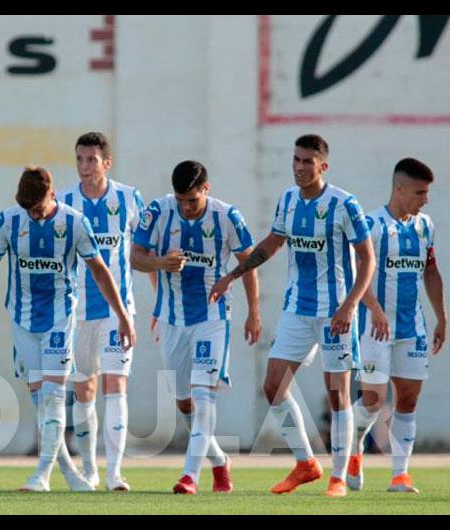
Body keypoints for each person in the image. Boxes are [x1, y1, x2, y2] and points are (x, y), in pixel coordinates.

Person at [210, 134, 375, 497]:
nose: (299, 167)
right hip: (297, 309)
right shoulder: (287, 199)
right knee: (273, 385)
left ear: (323, 166)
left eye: (307, 162)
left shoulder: (344, 204)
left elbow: (367, 258)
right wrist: (232, 275)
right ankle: (305, 463)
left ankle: (337, 478)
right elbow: (272, 243)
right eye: (296, 160)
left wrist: (350, 305)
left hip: (335, 313)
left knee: (338, 395)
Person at [0, 166, 136, 492]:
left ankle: (41, 475)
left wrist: (124, 316)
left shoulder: (73, 222)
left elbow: (99, 271)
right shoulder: (8, 222)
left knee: (54, 397)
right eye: (28, 209)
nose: (34, 214)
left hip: (60, 320)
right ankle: (70, 474)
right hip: (22, 321)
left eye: (39, 208)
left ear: (52, 196)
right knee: (41, 405)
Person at [132, 160, 260, 495]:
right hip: (172, 318)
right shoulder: (158, 212)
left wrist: (254, 313)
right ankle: (218, 460)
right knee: (184, 401)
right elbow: (134, 257)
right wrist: (161, 263)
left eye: (192, 200)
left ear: (206, 189)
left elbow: (249, 261)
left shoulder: (226, 216)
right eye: (181, 200)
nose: (186, 207)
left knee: (204, 397)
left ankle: (190, 475)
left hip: (212, 316)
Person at [58, 132, 150, 491]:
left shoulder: (128, 198)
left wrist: (155, 304)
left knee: (116, 384)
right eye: (80, 159)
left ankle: (114, 472)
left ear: (106, 163)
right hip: (77, 312)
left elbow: (141, 252)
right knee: (85, 389)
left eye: (91, 160)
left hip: (118, 309)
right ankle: (90, 468)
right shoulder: (64, 201)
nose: (84, 166)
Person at [347, 157, 445, 493]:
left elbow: (431, 272)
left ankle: (400, 475)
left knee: (409, 399)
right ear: (399, 188)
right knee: (373, 400)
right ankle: (355, 446)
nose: (425, 199)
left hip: (411, 328)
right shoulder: (371, 226)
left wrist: (441, 318)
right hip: (374, 327)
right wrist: (373, 308)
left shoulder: (425, 226)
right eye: (420, 192)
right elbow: (356, 275)